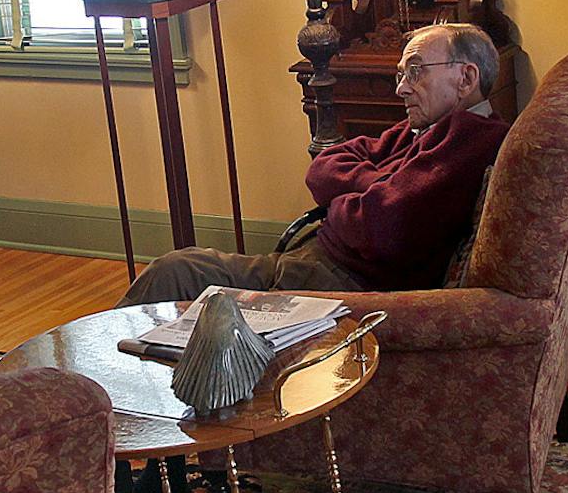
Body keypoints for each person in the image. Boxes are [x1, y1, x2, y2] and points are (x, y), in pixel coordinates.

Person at [123, 22, 508, 305]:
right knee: (178, 267)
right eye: (401, 74)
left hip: (339, 285)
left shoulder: (471, 136)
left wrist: (345, 200)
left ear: (466, 77)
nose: (401, 87)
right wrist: (376, 186)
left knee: (176, 272)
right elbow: (324, 164)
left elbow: (383, 224)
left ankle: (84, 396)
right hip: (312, 262)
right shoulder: (421, 128)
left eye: (415, 71)